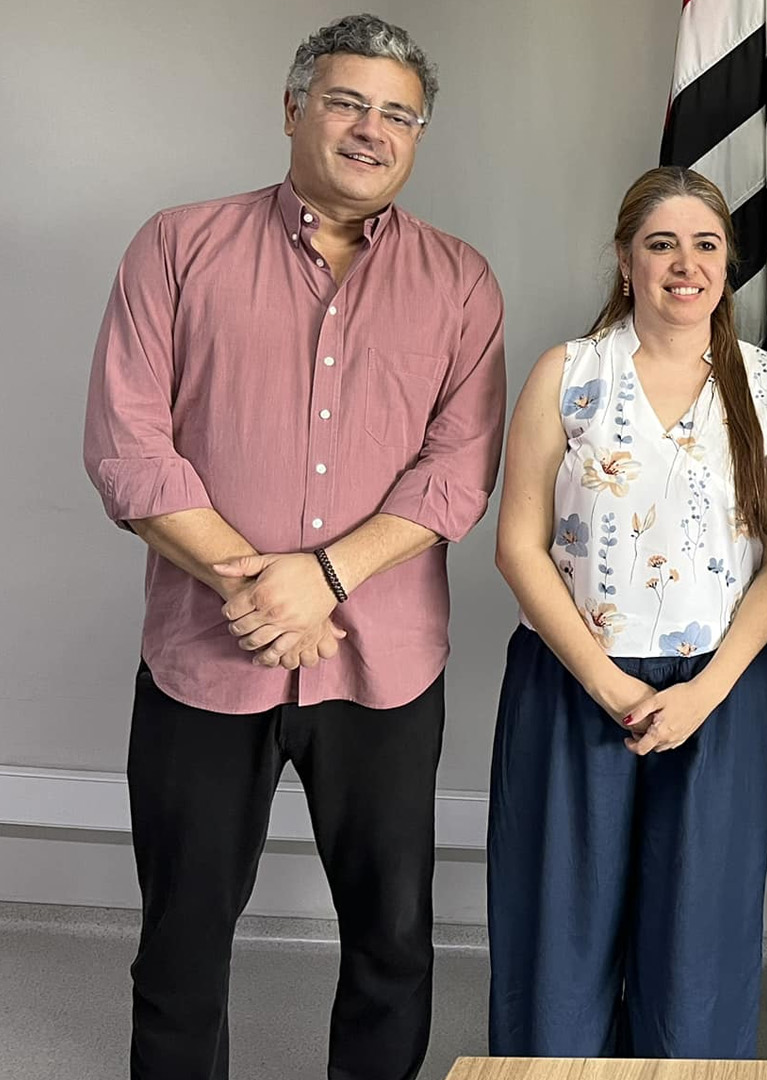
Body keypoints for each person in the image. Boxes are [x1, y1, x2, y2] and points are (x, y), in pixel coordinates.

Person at [79, 14, 505, 1080]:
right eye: (348, 102)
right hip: (203, 657)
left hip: (384, 669)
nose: (373, 129)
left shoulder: (460, 283)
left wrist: (320, 579)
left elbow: (456, 473)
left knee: (394, 944)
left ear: (419, 137)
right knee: (179, 950)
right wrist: (258, 590)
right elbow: (128, 447)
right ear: (293, 109)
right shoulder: (176, 245)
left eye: (398, 114)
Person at [486, 166, 767, 1058]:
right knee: (559, 937)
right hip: (575, 689)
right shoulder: (570, 371)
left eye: (705, 244)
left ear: (728, 263)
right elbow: (517, 543)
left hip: (720, 696)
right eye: (660, 243)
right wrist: (610, 685)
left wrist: (700, 697)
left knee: (696, 950)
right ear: (626, 260)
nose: (685, 262)